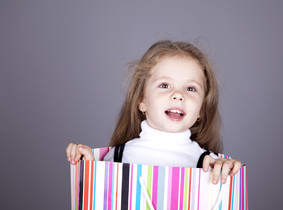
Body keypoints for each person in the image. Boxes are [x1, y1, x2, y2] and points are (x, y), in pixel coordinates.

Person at [66, 40, 242, 184]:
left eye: (190, 88)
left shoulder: (210, 164)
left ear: (201, 110)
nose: (178, 95)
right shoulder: (118, 156)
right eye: (164, 85)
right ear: (142, 101)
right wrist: (90, 167)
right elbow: (101, 205)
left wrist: (229, 170)